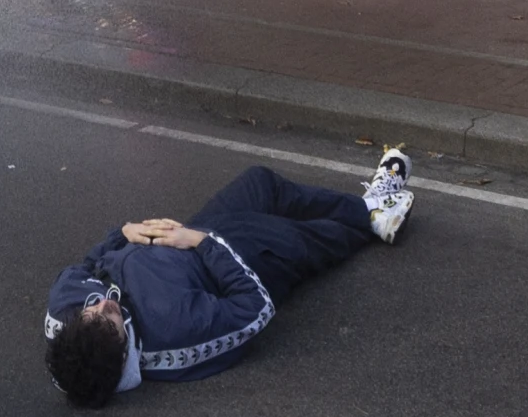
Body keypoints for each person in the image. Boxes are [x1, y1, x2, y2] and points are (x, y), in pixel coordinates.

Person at [43, 153, 413, 404]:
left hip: (195, 232)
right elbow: (254, 309)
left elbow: (84, 266)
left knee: (261, 183)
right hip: (242, 257)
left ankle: (370, 209)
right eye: (111, 321)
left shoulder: (68, 310)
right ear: (125, 356)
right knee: (319, 237)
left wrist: (124, 233)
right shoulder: (176, 335)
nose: (105, 305)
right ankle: (373, 215)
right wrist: (204, 245)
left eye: (92, 312)